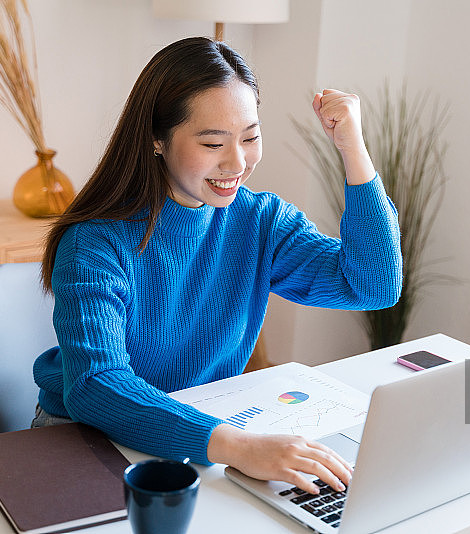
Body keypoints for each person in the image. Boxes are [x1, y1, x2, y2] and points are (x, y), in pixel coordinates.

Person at [32, 37, 402, 495]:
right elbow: (98, 385)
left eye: (251, 136)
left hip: (198, 431)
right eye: (212, 143)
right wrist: (240, 447)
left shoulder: (260, 221)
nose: (238, 162)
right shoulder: (95, 242)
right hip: (88, 437)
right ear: (157, 139)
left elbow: (373, 286)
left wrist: (353, 150)